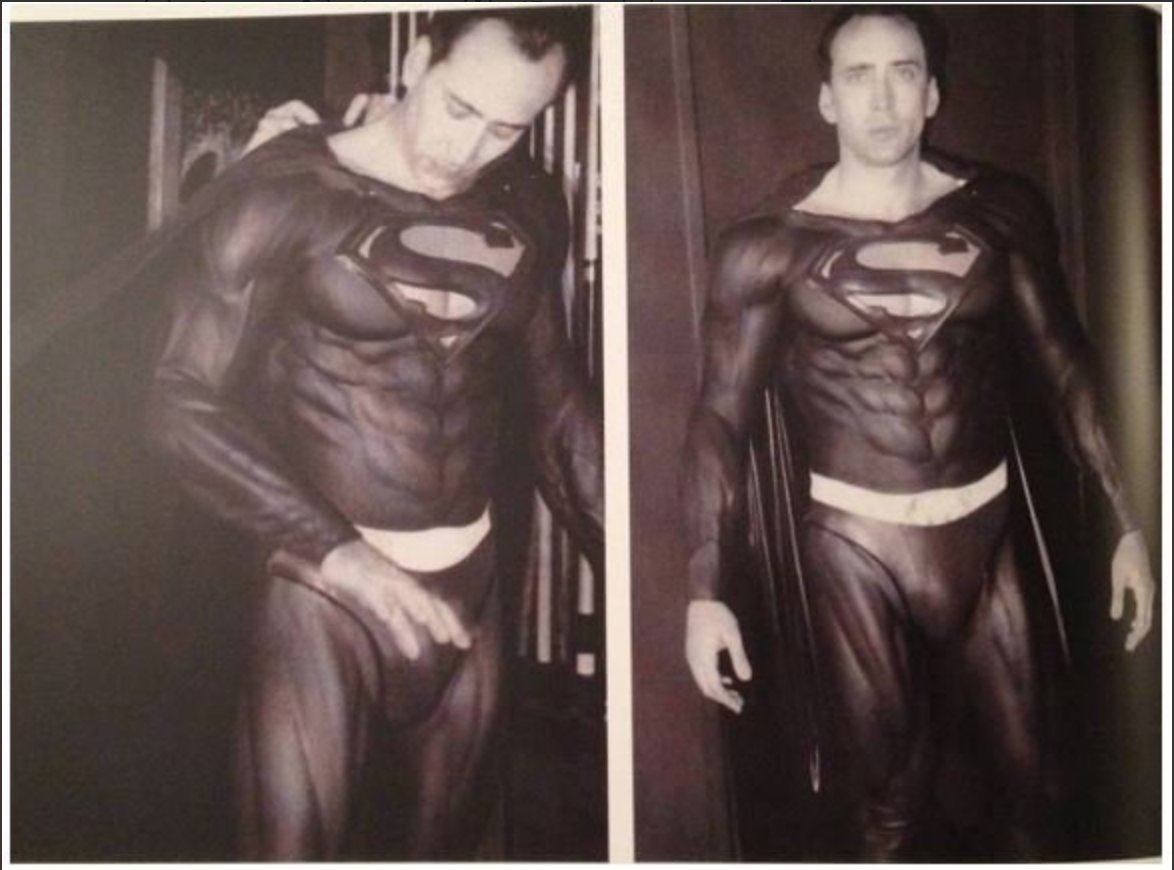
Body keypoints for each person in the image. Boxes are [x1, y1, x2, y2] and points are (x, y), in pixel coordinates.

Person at [681, 6, 1154, 860]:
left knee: (1041, 787)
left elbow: (1067, 369)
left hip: (987, 530)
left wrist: (1131, 523)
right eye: (858, 76)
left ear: (932, 93)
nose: (882, 99)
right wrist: (704, 591)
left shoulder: (1000, 215)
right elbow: (720, 416)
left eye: (903, 73)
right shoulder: (766, 248)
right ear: (827, 100)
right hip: (856, 546)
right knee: (886, 809)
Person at [146, 8, 601, 860]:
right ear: (418, 60)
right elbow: (175, 399)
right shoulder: (286, 194)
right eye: (459, 108)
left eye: (507, 128)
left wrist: (654, 584)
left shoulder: (530, 204)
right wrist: (338, 552)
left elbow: (561, 411)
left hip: (468, 586)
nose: (468, 149)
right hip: (318, 592)